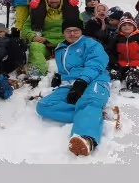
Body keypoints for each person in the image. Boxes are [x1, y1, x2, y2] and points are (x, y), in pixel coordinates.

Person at [36, 18, 111, 157]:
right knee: (44, 106)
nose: (72, 34)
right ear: (63, 33)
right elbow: (67, 69)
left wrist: (82, 82)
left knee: (90, 101)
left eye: (76, 30)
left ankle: (86, 137)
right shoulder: (60, 48)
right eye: (68, 31)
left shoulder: (91, 44)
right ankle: (95, 115)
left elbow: (96, 64)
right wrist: (60, 76)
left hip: (95, 79)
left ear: (81, 31)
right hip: (70, 84)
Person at [21, 0, 74, 78]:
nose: (54, 0)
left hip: (66, 44)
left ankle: (71, 74)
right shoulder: (38, 12)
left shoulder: (71, 11)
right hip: (46, 43)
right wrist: (33, 37)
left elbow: (81, 27)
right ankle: (37, 74)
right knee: (35, 46)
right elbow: (25, 28)